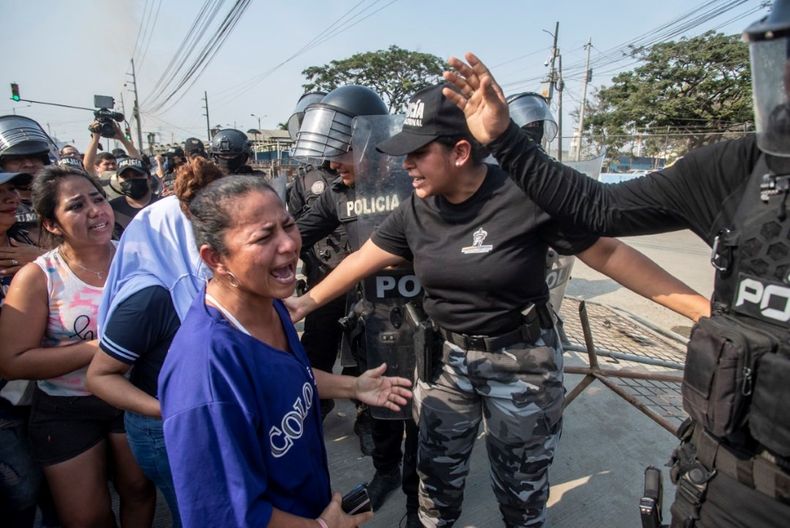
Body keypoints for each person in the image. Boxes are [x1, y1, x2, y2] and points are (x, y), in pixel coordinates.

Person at [287, 82, 711, 528]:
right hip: (447, 362)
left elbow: (609, 254)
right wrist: (305, 302)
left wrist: (703, 312)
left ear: (461, 151)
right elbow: (362, 258)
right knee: (435, 482)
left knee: (521, 490)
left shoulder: (526, 196)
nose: (404, 164)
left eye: (417, 153)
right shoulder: (417, 209)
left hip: (522, 363)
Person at [440, 3, 790, 524]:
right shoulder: (741, 169)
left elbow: (604, 250)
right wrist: (507, 140)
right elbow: (602, 210)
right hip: (733, 479)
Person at [158, 174, 412, 528]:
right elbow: (225, 514)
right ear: (215, 258)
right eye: (264, 236)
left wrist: (352, 388)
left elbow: (289, 378)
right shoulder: (205, 372)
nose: (289, 245)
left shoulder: (269, 302)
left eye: (288, 225)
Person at [292, 85, 422, 523]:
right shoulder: (336, 193)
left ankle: (417, 492)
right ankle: (386, 473)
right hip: (374, 322)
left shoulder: (417, 181)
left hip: (427, 323)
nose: (330, 164)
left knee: (424, 416)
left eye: (340, 153)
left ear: (367, 142)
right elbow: (293, 236)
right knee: (381, 406)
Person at [0, 166, 155, 527]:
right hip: (66, 409)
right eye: (76, 206)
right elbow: (11, 361)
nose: (95, 211)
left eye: (97, 199)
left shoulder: (137, 259)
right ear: (52, 224)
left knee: (139, 491)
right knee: (86, 517)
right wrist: (101, 350)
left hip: (132, 400)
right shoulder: (39, 277)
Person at [87, 157, 225, 528]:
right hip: (165, 430)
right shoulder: (150, 296)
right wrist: (169, 409)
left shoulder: (207, 282)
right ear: (172, 230)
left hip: (204, 418)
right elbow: (101, 377)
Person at [286, 91, 350, 420]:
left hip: (374, 287)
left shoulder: (385, 182)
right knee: (319, 345)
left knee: (370, 354)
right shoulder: (312, 181)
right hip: (324, 275)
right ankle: (314, 406)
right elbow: (295, 231)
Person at [0, 170, 45, 527]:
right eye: (0, 192)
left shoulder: (27, 246)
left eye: (12, 188)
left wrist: (41, 258)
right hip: (4, 405)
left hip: (38, 396)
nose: (11, 198)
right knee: (19, 493)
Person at [0, 114, 57, 245]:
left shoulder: (59, 198)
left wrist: (40, 257)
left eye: (35, 157)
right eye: (16, 159)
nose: (29, 164)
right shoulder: (5, 207)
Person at [108, 157, 159, 238]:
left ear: (149, 178)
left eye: (137, 175)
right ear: (118, 180)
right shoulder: (111, 209)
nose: (132, 180)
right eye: (125, 176)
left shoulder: (164, 204)